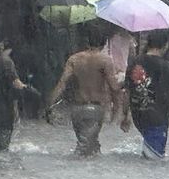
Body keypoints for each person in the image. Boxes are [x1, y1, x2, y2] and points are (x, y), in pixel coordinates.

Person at [50, 26, 123, 156]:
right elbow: (114, 87)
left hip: (77, 110)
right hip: (95, 110)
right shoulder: (105, 60)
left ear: (87, 41)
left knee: (89, 145)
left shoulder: (74, 59)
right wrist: (118, 109)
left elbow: (62, 84)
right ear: (104, 42)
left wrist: (49, 104)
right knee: (85, 150)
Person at [124, 31, 169, 159]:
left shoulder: (134, 63)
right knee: (154, 161)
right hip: (157, 118)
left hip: (139, 116)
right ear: (165, 45)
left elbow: (127, 91)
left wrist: (125, 115)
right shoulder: (166, 67)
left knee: (148, 155)